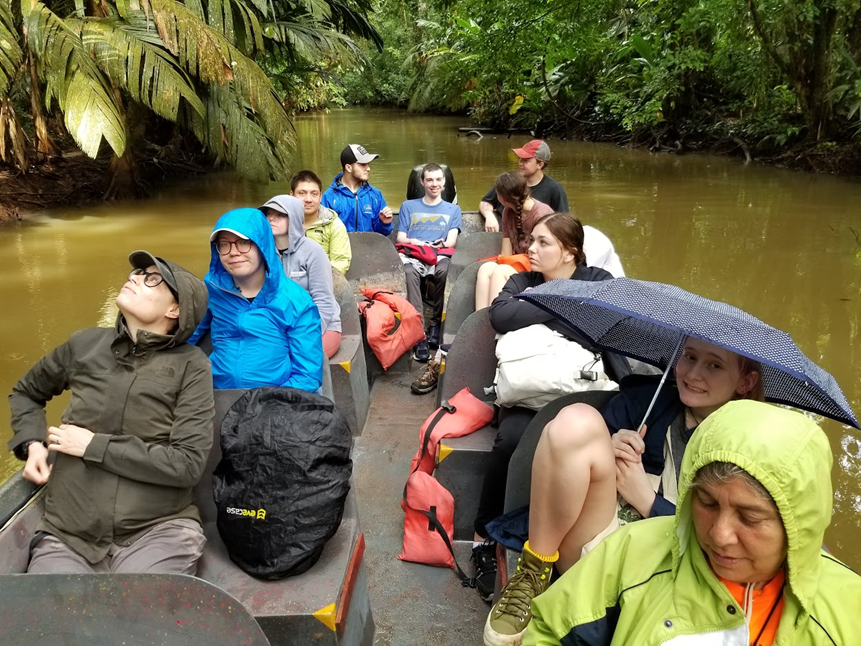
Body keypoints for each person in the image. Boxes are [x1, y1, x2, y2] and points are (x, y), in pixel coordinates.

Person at [483, 337, 765, 646]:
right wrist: (608, 444)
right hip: (601, 543)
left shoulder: (754, 450)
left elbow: (731, 542)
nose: (694, 374)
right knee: (577, 424)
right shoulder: (647, 401)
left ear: (745, 381)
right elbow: (573, 454)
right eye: (690, 357)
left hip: (679, 578)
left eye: (714, 365)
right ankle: (533, 573)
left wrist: (647, 501)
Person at [524, 400, 861, 645]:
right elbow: (549, 631)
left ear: (797, 520)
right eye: (707, 503)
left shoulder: (848, 610)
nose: (719, 534)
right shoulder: (631, 553)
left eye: (749, 517)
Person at [8, 251, 214, 575]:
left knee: (135, 618)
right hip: (68, 535)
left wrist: (94, 446)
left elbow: (187, 465)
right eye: (136, 273)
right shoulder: (84, 344)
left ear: (175, 309)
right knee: (53, 624)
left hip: (158, 530)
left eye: (152, 279)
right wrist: (32, 443)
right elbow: (26, 393)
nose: (134, 278)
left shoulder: (192, 365)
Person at [470, 213, 621, 600]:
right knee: (511, 441)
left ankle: (576, 542)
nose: (530, 250)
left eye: (542, 243)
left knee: (605, 438)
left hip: (582, 390)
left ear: (570, 251)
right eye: (531, 241)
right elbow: (502, 315)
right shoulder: (522, 280)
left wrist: (538, 309)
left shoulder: (599, 282)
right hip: (529, 393)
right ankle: (485, 537)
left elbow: (601, 331)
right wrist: (565, 305)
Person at [190, 208, 324, 392]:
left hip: (274, 403)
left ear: (263, 245)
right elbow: (190, 333)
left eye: (244, 242)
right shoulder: (213, 288)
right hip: (217, 397)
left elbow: (307, 376)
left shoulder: (296, 303)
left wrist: (266, 406)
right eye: (224, 244)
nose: (234, 252)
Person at [395, 162, 462, 370]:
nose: (434, 184)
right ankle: (419, 333)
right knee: (408, 272)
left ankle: (435, 325)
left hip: (439, 253)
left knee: (444, 271)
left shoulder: (453, 210)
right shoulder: (408, 207)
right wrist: (418, 243)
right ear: (422, 182)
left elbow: (451, 242)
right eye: (430, 180)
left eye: (438, 180)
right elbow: (401, 237)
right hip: (414, 253)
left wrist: (436, 246)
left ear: (444, 183)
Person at [261, 194, 343, 359]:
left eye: (279, 215)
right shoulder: (263, 254)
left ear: (294, 218)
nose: (271, 218)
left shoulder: (313, 252)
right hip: (282, 325)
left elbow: (324, 302)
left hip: (320, 326)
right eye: (269, 213)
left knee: (296, 356)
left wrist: (305, 335)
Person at [475, 172, 554, 310]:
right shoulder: (507, 211)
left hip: (537, 271)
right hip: (519, 265)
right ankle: (480, 321)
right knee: (485, 269)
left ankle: (496, 316)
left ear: (503, 197)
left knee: (500, 271)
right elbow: (506, 254)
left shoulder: (542, 214)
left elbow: (547, 258)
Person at [479, 140, 568, 233]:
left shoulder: (554, 189)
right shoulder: (510, 182)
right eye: (520, 158)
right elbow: (485, 202)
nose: (520, 163)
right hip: (505, 236)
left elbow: (563, 224)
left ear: (540, 164)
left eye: (526, 160)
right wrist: (489, 216)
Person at [322, 144, 393, 235]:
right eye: (363, 164)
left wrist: (384, 223)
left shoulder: (375, 195)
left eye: (368, 164)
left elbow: (382, 235)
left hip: (369, 248)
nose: (368, 168)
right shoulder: (329, 196)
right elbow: (323, 233)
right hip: (340, 248)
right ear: (348, 167)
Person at [290, 170, 352, 274]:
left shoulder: (334, 224)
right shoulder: (280, 222)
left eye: (314, 194)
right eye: (302, 193)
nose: (308, 199)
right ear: (292, 195)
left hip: (322, 281)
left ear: (320, 197)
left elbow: (341, 261)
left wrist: (317, 278)